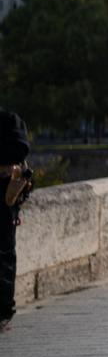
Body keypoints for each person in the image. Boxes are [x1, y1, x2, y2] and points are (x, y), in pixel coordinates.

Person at [0, 108, 30, 332]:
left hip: (4, 194)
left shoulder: (9, 120)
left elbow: (20, 149)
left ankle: (3, 311)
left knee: (4, 253)